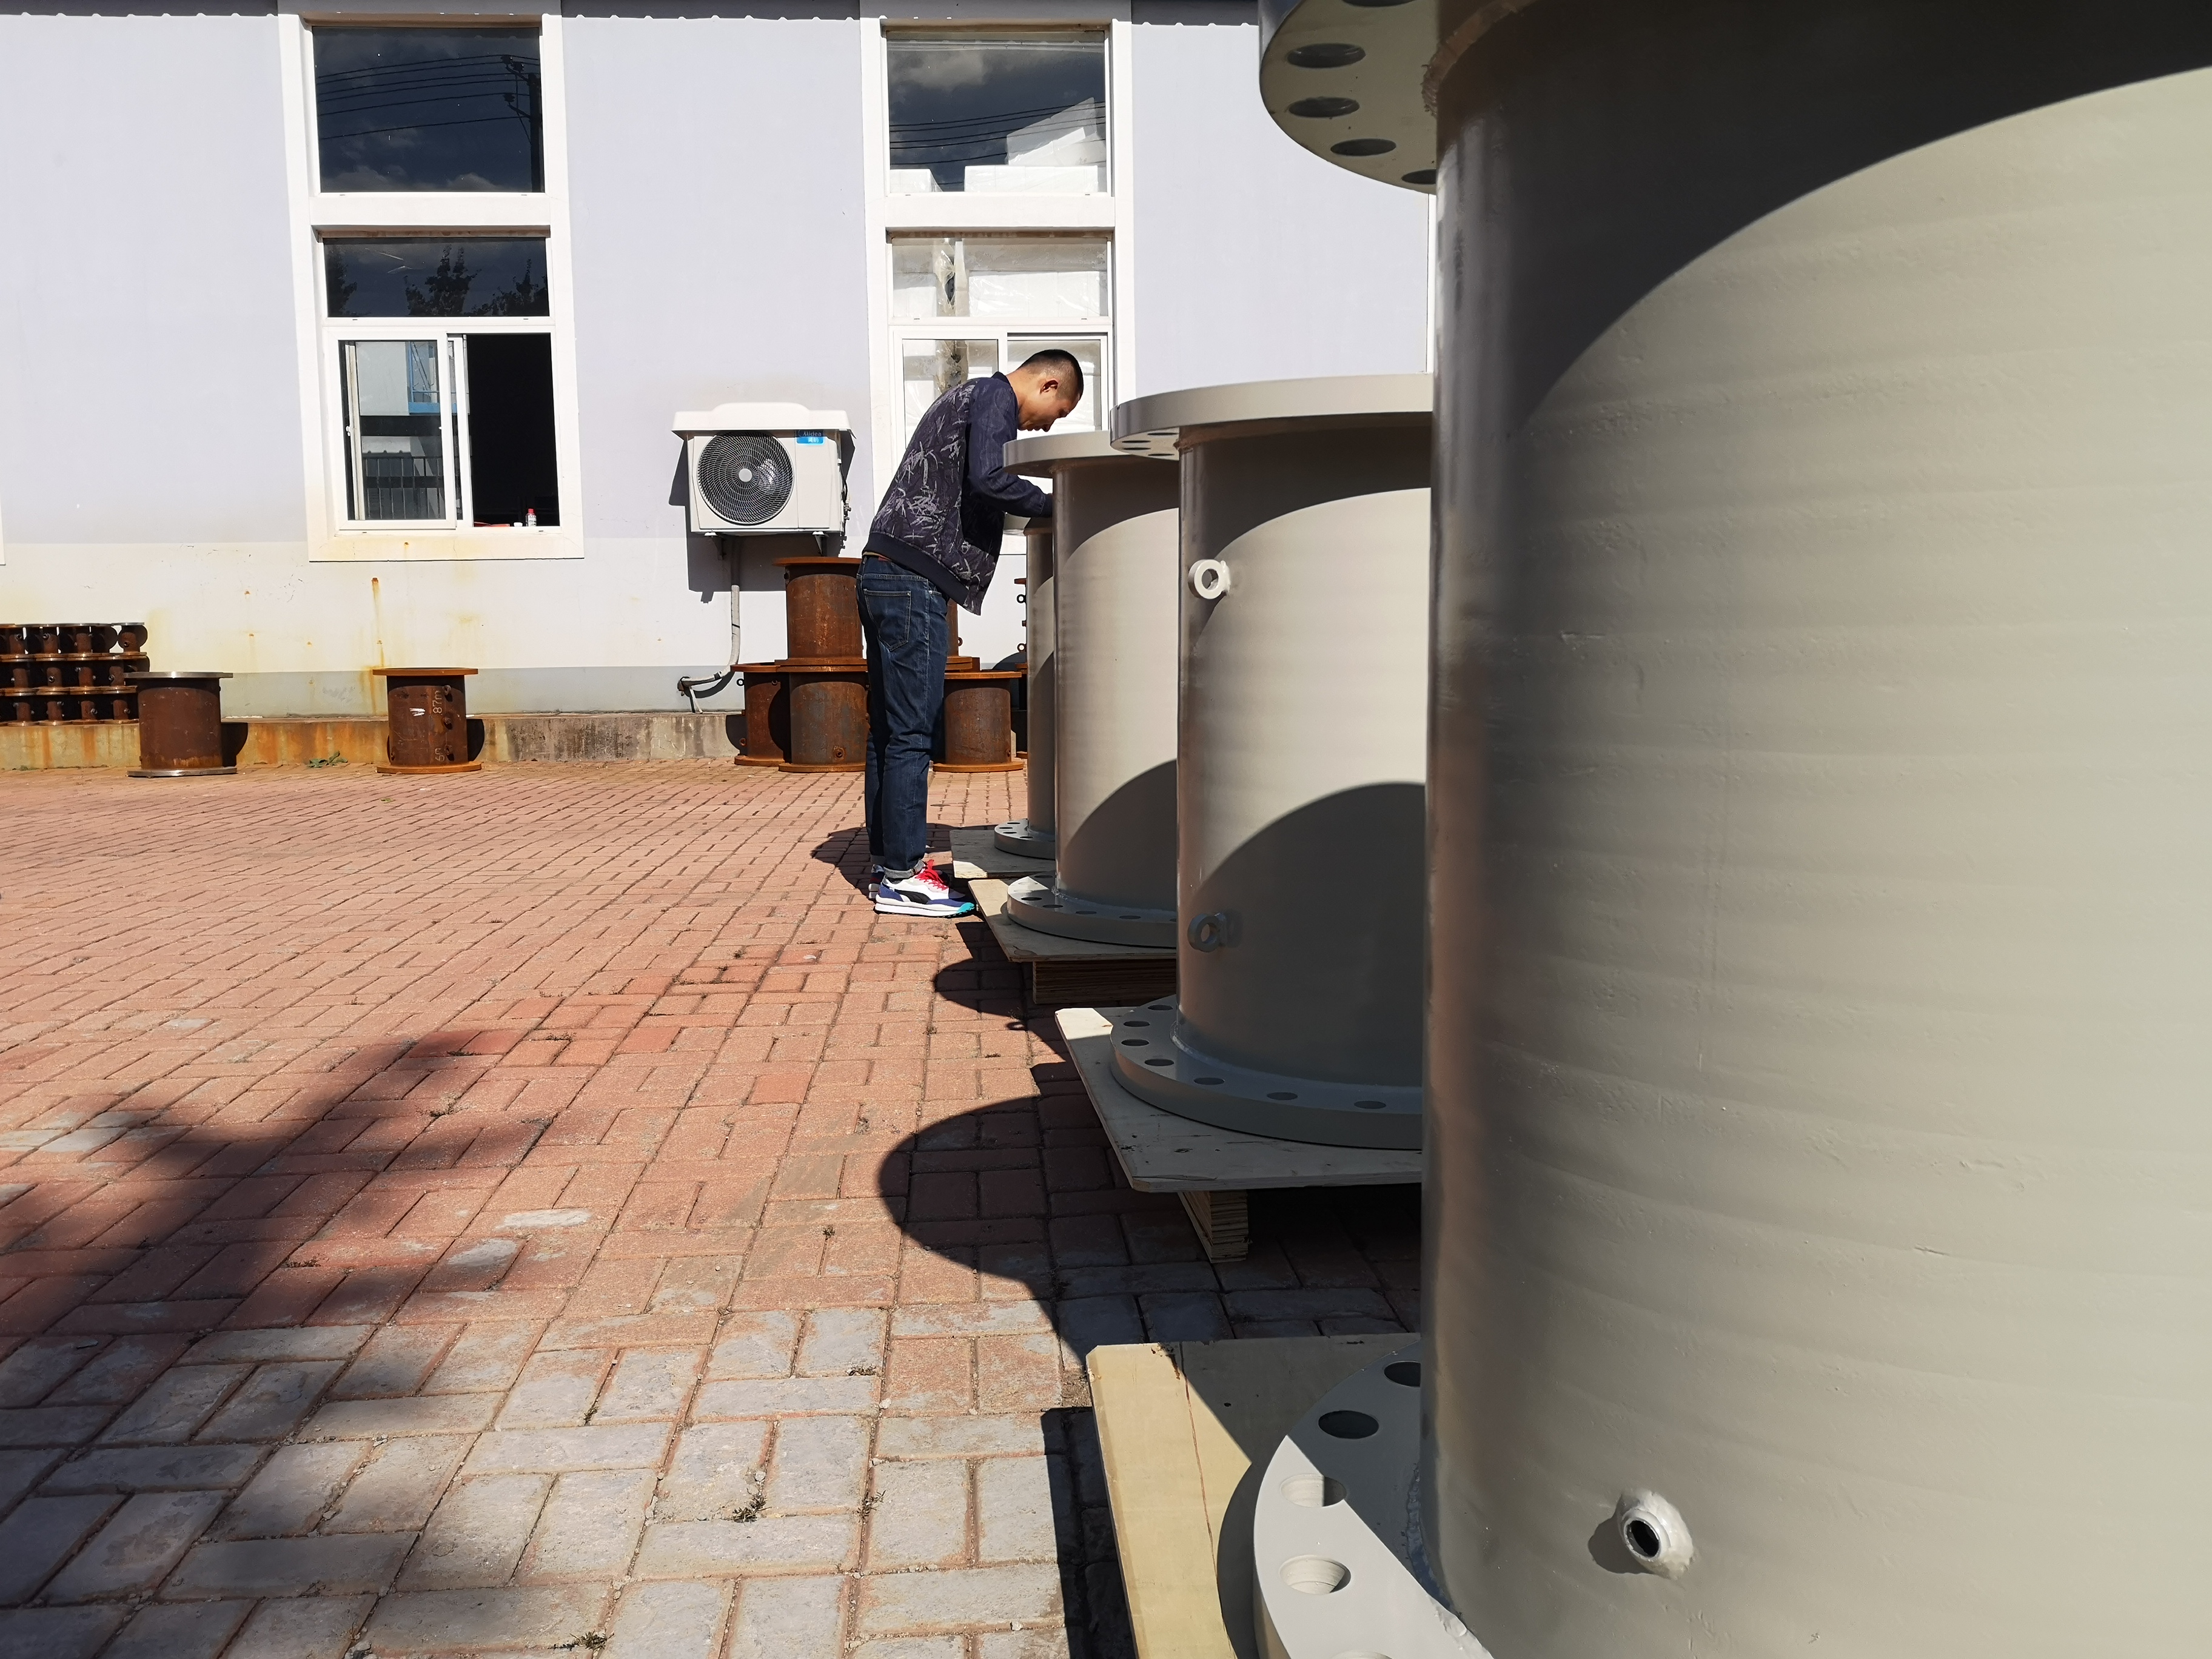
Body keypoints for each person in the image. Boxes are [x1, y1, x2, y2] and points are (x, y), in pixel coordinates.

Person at [858, 351, 1081, 916]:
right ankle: (904, 878)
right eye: (1057, 412)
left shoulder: (966, 397)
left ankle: (889, 864)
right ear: (1047, 384)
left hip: (884, 570)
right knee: (912, 733)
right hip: (912, 581)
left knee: (889, 730)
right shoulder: (994, 396)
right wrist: (1064, 505)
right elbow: (990, 479)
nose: (1045, 427)